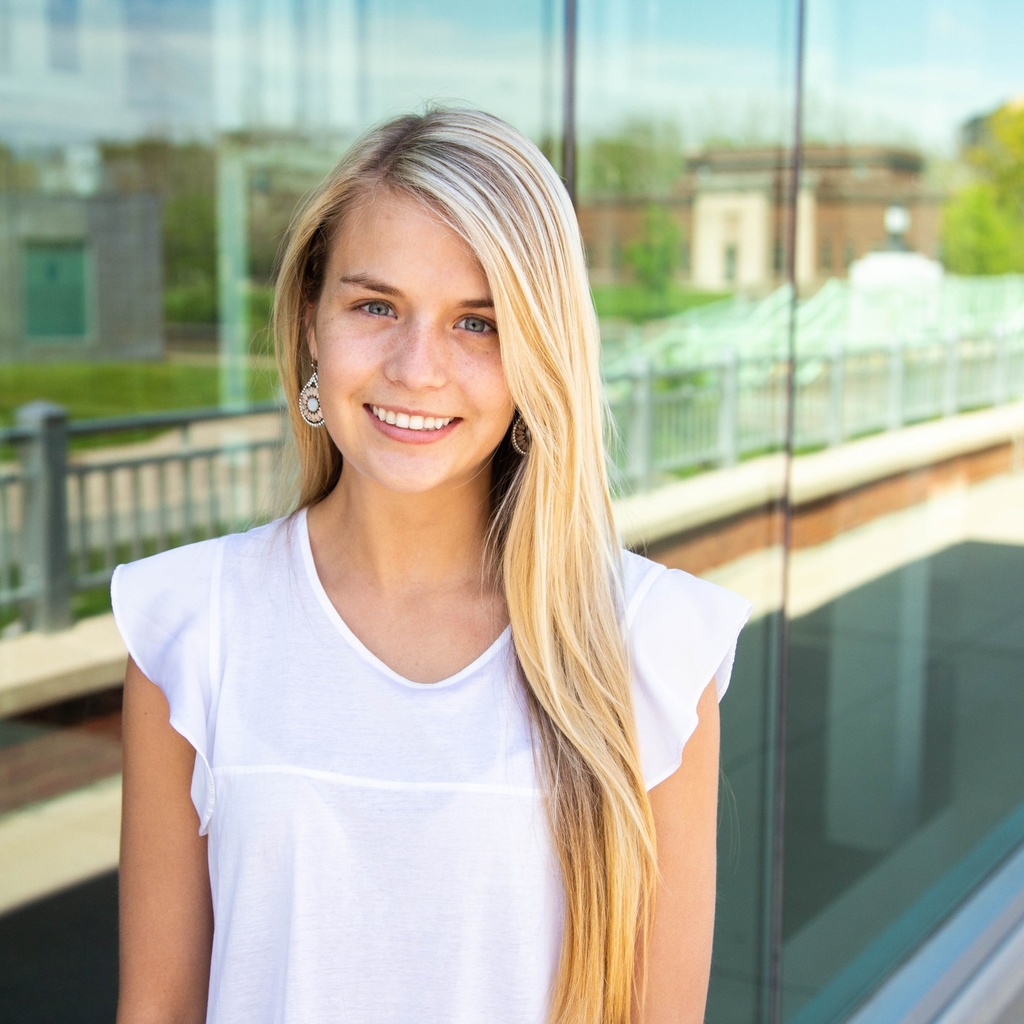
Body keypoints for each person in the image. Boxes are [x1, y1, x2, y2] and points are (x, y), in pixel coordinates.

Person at [113, 108, 752, 1024]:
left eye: (478, 324)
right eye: (376, 306)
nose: (417, 369)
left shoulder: (650, 644)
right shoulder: (188, 624)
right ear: (310, 323)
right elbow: (160, 1008)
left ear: (541, 353)